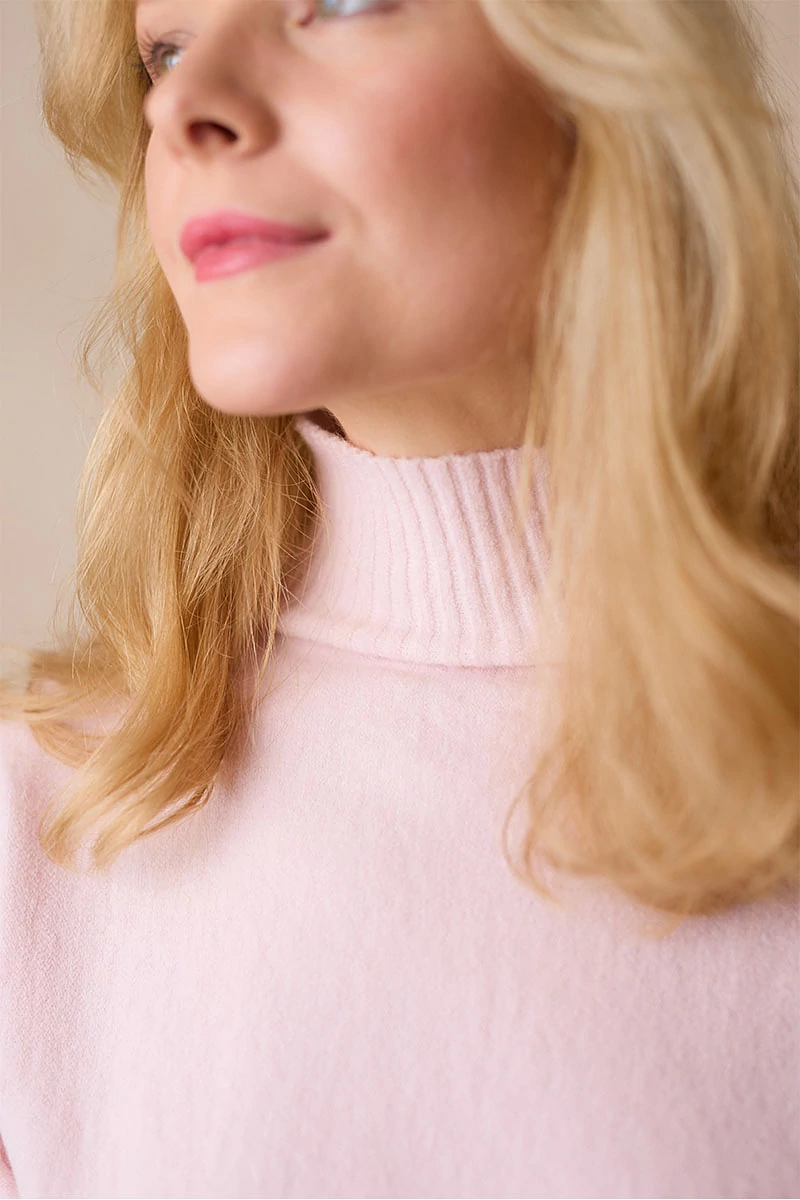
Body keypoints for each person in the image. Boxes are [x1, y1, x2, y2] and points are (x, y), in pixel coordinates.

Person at [0, 0, 797, 1195]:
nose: (184, 105)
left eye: (336, 3)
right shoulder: (39, 839)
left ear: (599, 66)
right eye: (164, 50)